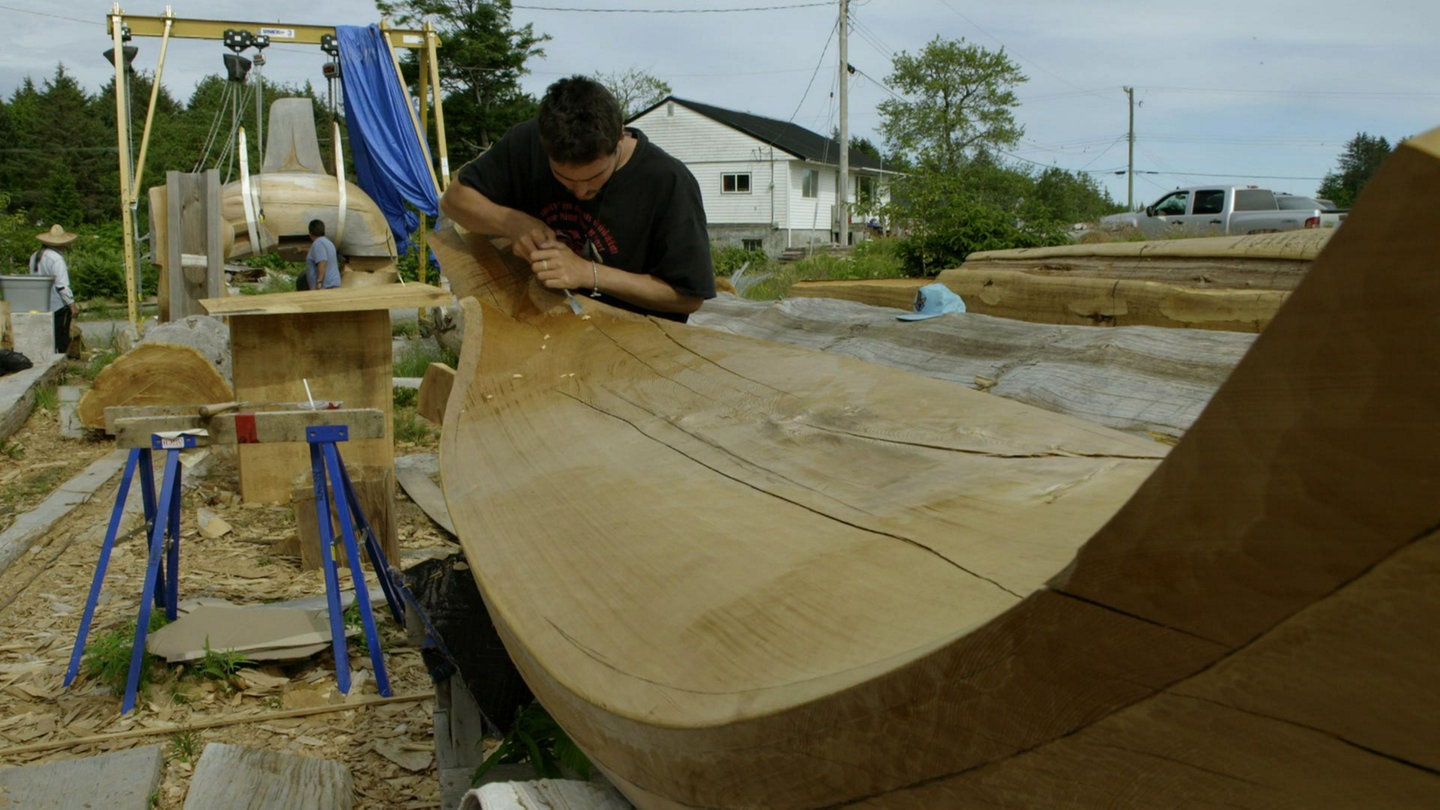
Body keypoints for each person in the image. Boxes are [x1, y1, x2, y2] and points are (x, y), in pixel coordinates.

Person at [440, 75, 715, 322]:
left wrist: (587, 273)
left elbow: (689, 297)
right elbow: (454, 201)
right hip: (539, 330)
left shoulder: (668, 181)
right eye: (565, 179)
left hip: (638, 346)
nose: (581, 192)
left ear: (619, 136)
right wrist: (513, 224)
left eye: (594, 178)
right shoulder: (527, 142)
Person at [29, 224, 80, 354]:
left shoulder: (35, 256)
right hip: (57, 305)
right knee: (61, 337)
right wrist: (72, 304)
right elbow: (61, 285)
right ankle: (61, 362)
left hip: (39, 303)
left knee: (45, 338)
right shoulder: (56, 259)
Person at [304, 219, 341, 290]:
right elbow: (318, 253)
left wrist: (319, 282)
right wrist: (302, 249)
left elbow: (322, 262)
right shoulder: (327, 242)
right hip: (333, 284)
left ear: (310, 233)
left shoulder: (318, 243)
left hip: (325, 286)